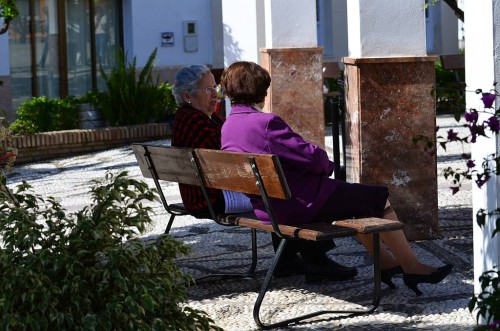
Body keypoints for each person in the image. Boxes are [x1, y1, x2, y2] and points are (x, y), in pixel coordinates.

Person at [219, 61, 453, 295]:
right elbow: (314, 159)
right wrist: (326, 165)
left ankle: (388, 265)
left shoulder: (229, 126)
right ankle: (412, 267)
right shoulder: (266, 122)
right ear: (261, 89)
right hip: (299, 204)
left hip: (268, 207)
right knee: (377, 198)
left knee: (356, 200)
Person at [171, 64, 356, 283]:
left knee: (274, 186)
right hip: (214, 200)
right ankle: (315, 260)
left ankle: (286, 259)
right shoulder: (199, 123)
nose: (216, 95)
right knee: (284, 192)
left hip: (202, 196)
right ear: (187, 96)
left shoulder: (188, 119)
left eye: (216, 88)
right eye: (207, 90)